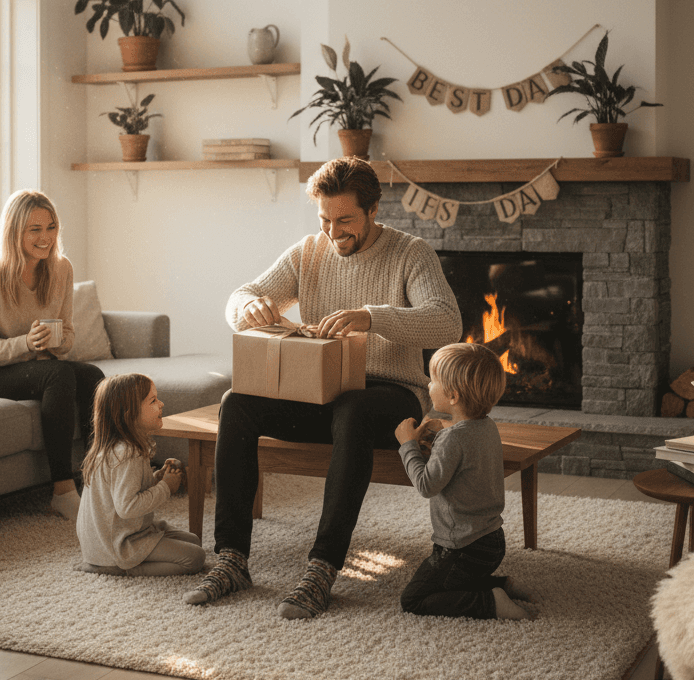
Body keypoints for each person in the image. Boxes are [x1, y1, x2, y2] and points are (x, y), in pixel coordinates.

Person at [184, 155, 462, 618]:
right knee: (236, 403)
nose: (334, 232)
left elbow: (447, 322)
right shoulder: (308, 252)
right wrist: (247, 307)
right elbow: (241, 295)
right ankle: (231, 559)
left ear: (373, 210)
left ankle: (322, 568)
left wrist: (375, 317)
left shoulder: (411, 252)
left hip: (390, 395)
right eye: (325, 220)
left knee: (352, 407)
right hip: (321, 391)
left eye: (346, 220)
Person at [0, 189, 104, 522]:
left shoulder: (61, 269)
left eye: (51, 227)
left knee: (93, 377)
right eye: (34, 229)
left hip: (37, 367)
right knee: (59, 375)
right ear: (15, 232)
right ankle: (63, 491)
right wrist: (26, 343)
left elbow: (67, 338)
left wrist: (52, 343)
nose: (45, 237)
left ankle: (99, 481)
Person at [394, 342, 532, 620]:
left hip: (461, 548)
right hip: (492, 541)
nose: (427, 384)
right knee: (449, 580)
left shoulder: (452, 439)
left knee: (414, 598)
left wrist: (408, 445)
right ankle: (501, 584)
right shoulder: (486, 426)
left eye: (433, 381)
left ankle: (490, 601)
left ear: (453, 396)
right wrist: (440, 434)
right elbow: (465, 457)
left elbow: (426, 485)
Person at [76, 374, 206, 576]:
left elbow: (126, 491)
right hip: (117, 545)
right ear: (129, 414)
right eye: (153, 400)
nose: (161, 404)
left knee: (194, 540)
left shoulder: (118, 448)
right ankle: (123, 569)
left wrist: (158, 478)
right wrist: (166, 488)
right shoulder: (128, 454)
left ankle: (111, 562)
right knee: (195, 558)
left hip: (108, 539)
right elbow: (127, 507)